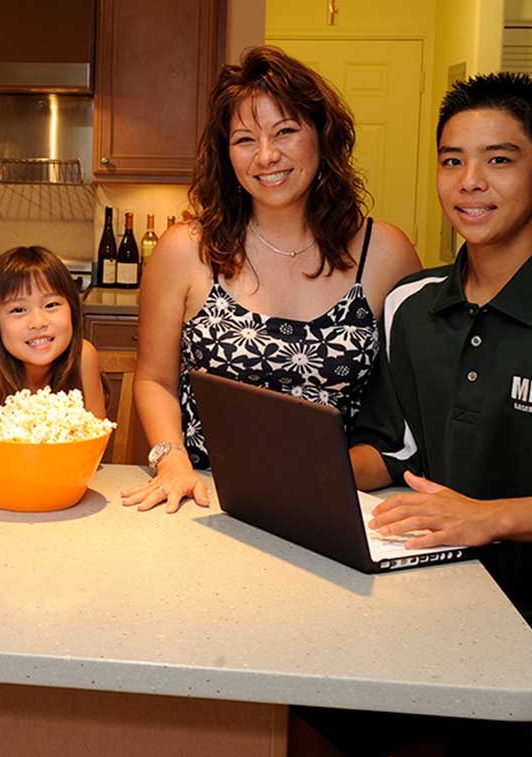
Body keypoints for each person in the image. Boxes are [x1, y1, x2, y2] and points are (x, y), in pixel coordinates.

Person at [290, 73, 532, 757]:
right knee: (288, 716)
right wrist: (297, 476)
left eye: (499, 160)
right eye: (451, 160)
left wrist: (488, 518)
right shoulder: (411, 305)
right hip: (431, 603)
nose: (470, 183)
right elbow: (388, 451)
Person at [123, 45, 421, 513]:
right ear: (226, 154)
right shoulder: (185, 250)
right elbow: (155, 378)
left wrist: (329, 480)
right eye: (245, 140)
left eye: (285, 131)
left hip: (335, 501)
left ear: (322, 137)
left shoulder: (386, 255)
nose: (266, 156)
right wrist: (170, 460)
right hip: (205, 496)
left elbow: (406, 413)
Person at [0, 245, 105, 467]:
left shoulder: (84, 357)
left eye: (51, 305)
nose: (38, 322)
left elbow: (94, 445)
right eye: (18, 310)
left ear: (72, 308)